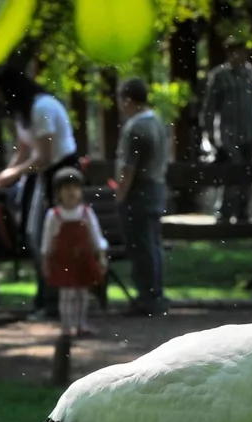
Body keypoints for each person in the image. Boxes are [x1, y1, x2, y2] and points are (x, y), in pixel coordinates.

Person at [0, 65, 82, 321]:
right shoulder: (23, 113)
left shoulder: (42, 108)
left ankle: (51, 301)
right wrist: (1, 178)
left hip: (60, 175)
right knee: (33, 234)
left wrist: (12, 175)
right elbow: (23, 152)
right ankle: (45, 298)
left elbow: (44, 157)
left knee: (45, 236)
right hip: (41, 174)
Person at [114, 77, 170, 318]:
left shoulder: (136, 128)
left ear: (128, 100)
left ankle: (146, 296)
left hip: (139, 192)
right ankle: (155, 293)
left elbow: (129, 168)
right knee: (153, 244)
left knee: (140, 246)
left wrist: (120, 195)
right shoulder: (157, 121)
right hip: (157, 189)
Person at [40, 167, 108, 338]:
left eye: (75, 188)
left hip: (82, 260)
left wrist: (100, 256)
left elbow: (96, 235)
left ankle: (81, 324)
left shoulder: (86, 213)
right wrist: (45, 260)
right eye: (67, 188)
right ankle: (66, 325)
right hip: (64, 260)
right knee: (67, 294)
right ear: (59, 193)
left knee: (82, 294)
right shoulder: (54, 215)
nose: (72, 192)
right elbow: (47, 241)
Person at [200, 35, 252, 223]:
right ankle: (225, 213)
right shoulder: (219, 76)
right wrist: (209, 134)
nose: (239, 55)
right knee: (231, 175)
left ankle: (243, 213)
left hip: (250, 132)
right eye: (235, 51)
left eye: (242, 51)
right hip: (228, 134)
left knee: (247, 175)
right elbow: (209, 107)